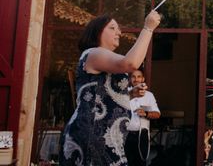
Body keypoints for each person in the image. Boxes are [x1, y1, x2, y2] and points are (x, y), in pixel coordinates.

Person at [60, 11, 161, 166]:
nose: (119, 32)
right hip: (92, 135)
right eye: (113, 28)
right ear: (98, 32)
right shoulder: (93, 53)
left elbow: (104, 92)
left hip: (105, 138)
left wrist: (130, 95)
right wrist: (148, 28)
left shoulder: (103, 58)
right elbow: (131, 63)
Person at [125, 68, 161, 166]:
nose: (136, 79)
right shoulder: (124, 94)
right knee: (124, 162)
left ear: (143, 79)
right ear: (129, 79)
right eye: (133, 76)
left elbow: (157, 114)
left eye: (139, 76)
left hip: (141, 135)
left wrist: (146, 113)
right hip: (124, 135)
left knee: (140, 162)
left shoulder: (149, 95)